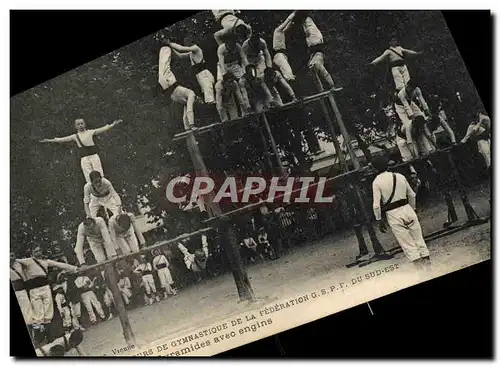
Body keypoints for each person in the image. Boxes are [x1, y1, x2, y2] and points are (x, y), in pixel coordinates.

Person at [371, 155, 431, 270]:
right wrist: (413, 209)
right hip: (407, 208)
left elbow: (376, 205)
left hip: (393, 213)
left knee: (407, 244)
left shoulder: (376, 182)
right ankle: (429, 267)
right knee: (419, 239)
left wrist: (379, 219)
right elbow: (412, 194)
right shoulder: (399, 176)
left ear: (375, 169)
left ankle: (422, 272)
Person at [39, 118, 123, 183]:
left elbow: (102, 129)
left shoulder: (90, 132)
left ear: (85, 124)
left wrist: (112, 125)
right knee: (88, 179)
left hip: (94, 156)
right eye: (78, 124)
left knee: (100, 175)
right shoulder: (75, 136)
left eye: (82, 123)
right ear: (75, 126)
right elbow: (62, 139)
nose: (80, 125)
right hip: (85, 159)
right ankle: (93, 197)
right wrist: (50, 140)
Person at [15, 247, 78, 332]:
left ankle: (48, 330)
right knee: (38, 313)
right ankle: (40, 331)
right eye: (36, 251)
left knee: (48, 311)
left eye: (39, 250)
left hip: (45, 287)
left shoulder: (46, 262)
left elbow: (59, 264)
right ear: (32, 253)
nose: (38, 253)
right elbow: (15, 260)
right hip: (34, 289)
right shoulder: (28, 261)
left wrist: (74, 268)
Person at [158, 39, 202, 131]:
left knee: (163, 65)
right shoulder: (192, 94)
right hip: (169, 86)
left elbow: (186, 113)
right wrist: (192, 125)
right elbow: (189, 110)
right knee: (164, 66)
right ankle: (190, 126)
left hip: (167, 85)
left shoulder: (185, 99)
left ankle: (187, 127)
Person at [294, 11, 340, 91]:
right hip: (315, 50)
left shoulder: (309, 24)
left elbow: (311, 35)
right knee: (312, 68)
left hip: (318, 49)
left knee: (317, 65)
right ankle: (321, 89)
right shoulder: (306, 24)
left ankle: (332, 85)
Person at [168, 38, 216, 104]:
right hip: (200, 75)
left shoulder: (196, 48)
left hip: (204, 75)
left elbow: (181, 49)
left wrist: (169, 43)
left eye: (187, 41)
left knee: (210, 99)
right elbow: (180, 56)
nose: (186, 43)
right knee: (205, 97)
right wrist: (170, 47)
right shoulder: (191, 53)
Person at [216, 35, 252, 115]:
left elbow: (243, 58)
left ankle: (246, 107)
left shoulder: (238, 47)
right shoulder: (221, 48)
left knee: (242, 82)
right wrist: (224, 74)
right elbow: (221, 62)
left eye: (233, 43)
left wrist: (248, 69)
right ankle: (223, 106)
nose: (232, 45)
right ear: (227, 43)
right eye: (230, 44)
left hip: (234, 64)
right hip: (223, 65)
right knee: (220, 83)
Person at [272, 11, 297, 83]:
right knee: (288, 74)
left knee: (287, 74)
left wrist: (293, 22)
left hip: (281, 55)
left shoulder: (281, 32)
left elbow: (289, 25)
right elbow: (287, 21)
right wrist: (294, 13)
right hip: (279, 56)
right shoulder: (277, 30)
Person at [10, 252, 33, 326]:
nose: (11, 258)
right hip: (16, 288)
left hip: (22, 289)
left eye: (12, 255)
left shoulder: (19, 264)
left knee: (27, 309)